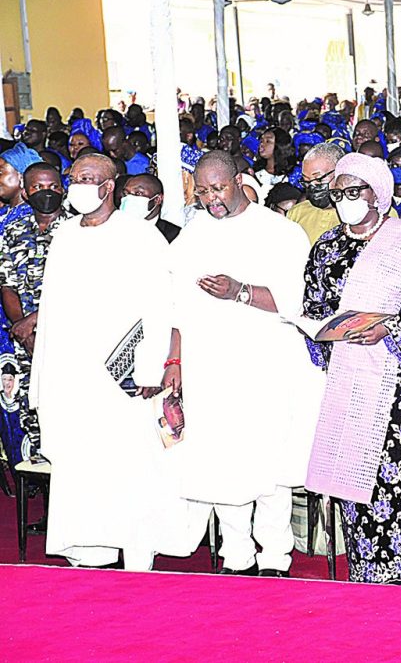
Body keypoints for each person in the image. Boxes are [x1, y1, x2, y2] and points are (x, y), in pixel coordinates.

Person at [31, 154, 204, 570]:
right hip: (70, 373)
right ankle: (89, 551)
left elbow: (158, 306)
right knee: (81, 464)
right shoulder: (65, 235)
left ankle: (136, 551)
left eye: (89, 178)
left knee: (129, 463)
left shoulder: (139, 236)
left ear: (109, 187)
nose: (78, 185)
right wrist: (43, 378)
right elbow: (51, 308)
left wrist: (147, 367)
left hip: (120, 373)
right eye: (76, 177)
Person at [165, 150, 320, 577]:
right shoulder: (191, 236)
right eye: (202, 192)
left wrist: (240, 291)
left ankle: (274, 556)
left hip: (266, 366)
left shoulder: (279, 233)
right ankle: (237, 555)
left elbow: (298, 302)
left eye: (219, 188)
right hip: (209, 367)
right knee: (221, 458)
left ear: (239, 180)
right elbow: (174, 307)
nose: (211, 199)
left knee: (269, 460)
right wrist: (174, 361)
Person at [303, 153, 401, 584]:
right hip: (348, 378)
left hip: (400, 382)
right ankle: (365, 567)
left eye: (354, 192)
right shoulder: (327, 248)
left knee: (398, 474)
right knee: (355, 472)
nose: (345, 201)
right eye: (338, 194)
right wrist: (326, 333)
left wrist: (387, 329)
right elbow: (313, 311)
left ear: (379, 194)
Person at [0, 146, 44, 466]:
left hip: (19, 319)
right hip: (6, 319)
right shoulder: (4, 215)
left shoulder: (31, 220)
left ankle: (28, 466)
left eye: (2, 171)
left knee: (20, 393)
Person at [285, 142, 345, 245]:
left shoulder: (353, 215)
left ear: (340, 172)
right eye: (306, 181)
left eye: (319, 179)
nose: (313, 186)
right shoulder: (296, 213)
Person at [121, 174, 180, 243]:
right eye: (126, 193)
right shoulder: (114, 226)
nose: (129, 198)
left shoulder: (174, 235)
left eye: (138, 193)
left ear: (157, 199)